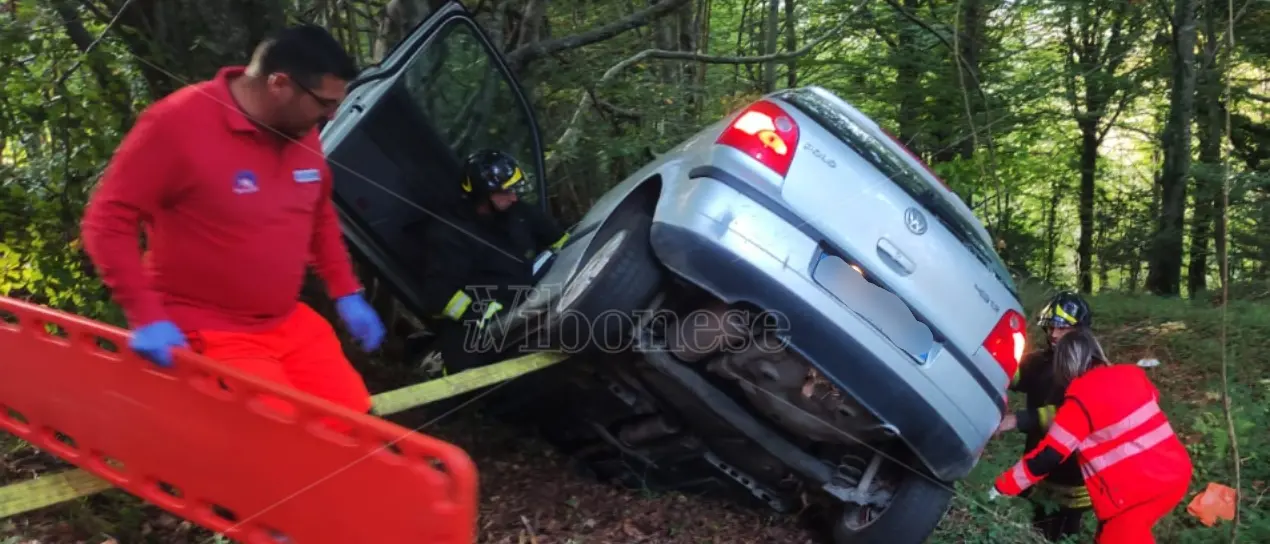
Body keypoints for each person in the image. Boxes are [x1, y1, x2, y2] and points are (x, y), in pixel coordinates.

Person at [80, 24, 386, 418]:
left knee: (355, 428)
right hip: (210, 328)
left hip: (286, 324)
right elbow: (107, 220)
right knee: (283, 439)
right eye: (325, 103)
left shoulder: (300, 127)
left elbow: (318, 213)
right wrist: (146, 316)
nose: (332, 116)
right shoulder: (176, 124)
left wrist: (346, 291)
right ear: (279, 84)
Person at [990, 328, 1193, 544]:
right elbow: (1148, 401)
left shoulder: (1080, 402)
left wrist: (1003, 486)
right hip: (1174, 472)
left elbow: (1049, 456)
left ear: (1065, 366)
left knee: (1114, 538)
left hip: (1139, 492)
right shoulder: (1132, 374)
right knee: (1118, 534)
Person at [405, 149, 568, 375]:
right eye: (506, 191)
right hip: (486, 324)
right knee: (471, 379)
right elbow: (439, 296)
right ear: (483, 195)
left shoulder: (520, 213)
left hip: (537, 300)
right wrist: (478, 313)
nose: (514, 197)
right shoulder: (449, 234)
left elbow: (563, 242)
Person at [995, 290, 1095, 541]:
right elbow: (1014, 374)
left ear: (1080, 331)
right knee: (1038, 528)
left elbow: (1068, 417)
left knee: (1061, 532)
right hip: (1040, 466)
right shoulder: (1042, 361)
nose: (1054, 334)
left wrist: (1017, 420)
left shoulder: (1089, 369)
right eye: (1051, 327)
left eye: (1063, 328)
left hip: (1071, 474)